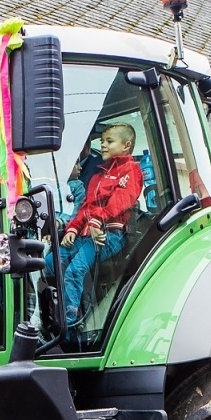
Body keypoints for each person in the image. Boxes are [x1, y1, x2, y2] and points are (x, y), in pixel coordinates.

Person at [47, 123, 143, 326]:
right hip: (86, 233)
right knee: (48, 263)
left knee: (75, 270)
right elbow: (86, 207)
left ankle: (68, 322)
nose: (103, 145)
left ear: (126, 146)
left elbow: (119, 201)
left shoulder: (131, 170)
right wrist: (73, 228)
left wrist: (96, 220)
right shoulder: (98, 175)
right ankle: (48, 308)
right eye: (102, 141)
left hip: (109, 235)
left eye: (109, 141)